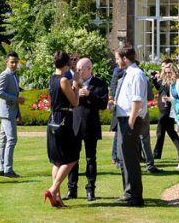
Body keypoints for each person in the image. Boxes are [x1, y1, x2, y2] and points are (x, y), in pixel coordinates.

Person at [66, 57, 108, 201]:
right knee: (73, 158)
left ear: (89, 69)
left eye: (80, 69)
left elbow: (103, 104)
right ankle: (72, 189)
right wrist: (75, 88)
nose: (77, 72)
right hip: (75, 125)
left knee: (91, 158)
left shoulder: (99, 84)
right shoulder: (73, 83)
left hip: (91, 125)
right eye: (76, 69)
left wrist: (90, 94)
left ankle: (91, 189)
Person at [114, 44, 149, 206]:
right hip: (124, 119)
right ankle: (128, 192)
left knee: (131, 159)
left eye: (117, 58)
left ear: (125, 59)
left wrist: (130, 121)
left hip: (131, 119)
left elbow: (137, 100)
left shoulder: (136, 74)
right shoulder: (128, 74)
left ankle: (136, 196)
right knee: (124, 158)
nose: (116, 62)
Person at [44, 51, 80, 207]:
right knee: (72, 157)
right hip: (64, 119)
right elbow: (75, 102)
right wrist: (76, 84)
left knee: (57, 160)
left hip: (53, 119)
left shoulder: (52, 78)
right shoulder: (64, 80)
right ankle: (53, 189)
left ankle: (57, 198)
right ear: (66, 64)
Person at [0, 51, 23, 178]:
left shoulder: (14, 75)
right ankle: (8, 170)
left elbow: (15, 94)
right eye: (12, 62)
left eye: (16, 62)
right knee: (12, 139)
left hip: (10, 111)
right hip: (6, 112)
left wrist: (19, 113)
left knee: (4, 140)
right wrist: (16, 100)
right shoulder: (5, 75)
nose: (14, 64)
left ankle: (2, 168)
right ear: (6, 62)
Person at [152, 62, 179, 160]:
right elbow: (159, 88)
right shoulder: (164, 80)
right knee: (170, 132)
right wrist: (155, 79)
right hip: (164, 108)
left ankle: (156, 154)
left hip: (167, 109)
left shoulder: (173, 81)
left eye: (167, 70)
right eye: (163, 69)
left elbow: (169, 92)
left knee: (160, 131)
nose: (165, 71)